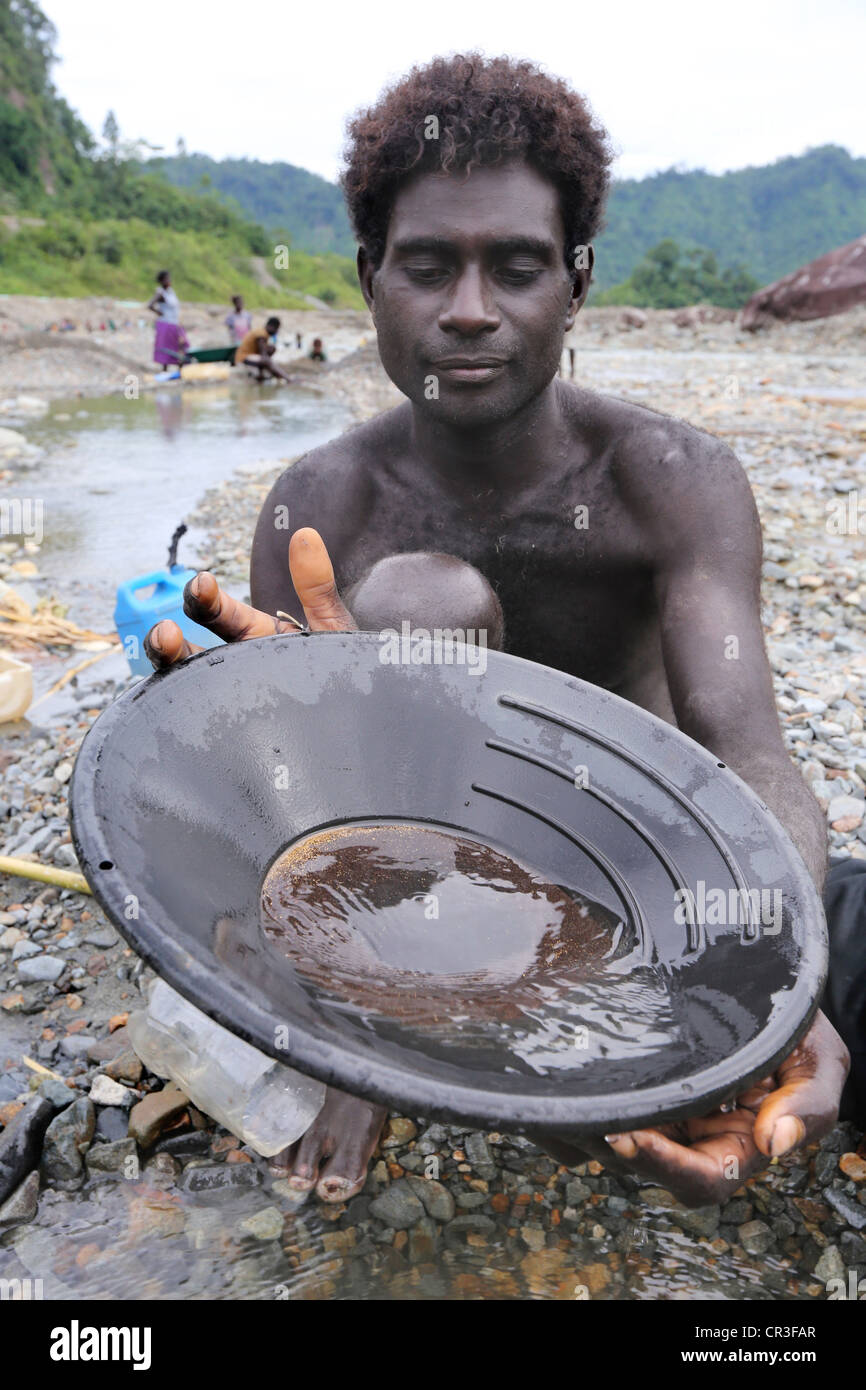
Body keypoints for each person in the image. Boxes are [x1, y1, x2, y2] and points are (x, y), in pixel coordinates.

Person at [144, 54, 860, 1207]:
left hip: (651, 892)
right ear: (369, 278)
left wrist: (778, 985)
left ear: (573, 285)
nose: (469, 310)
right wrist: (341, 1024)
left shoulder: (671, 480)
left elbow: (750, 754)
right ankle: (400, 1038)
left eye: (516, 267)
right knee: (417, 602)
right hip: (415, 910)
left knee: (826, 986)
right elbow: (278, 801)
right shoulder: (319, 506)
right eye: (426, 265)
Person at [147, 270, 188, 368]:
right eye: (166, 279)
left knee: (181, 344)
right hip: (166, 323)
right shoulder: (160, 293)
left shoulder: (171, 292)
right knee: (167, 347)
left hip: (174, 323)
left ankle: (180, 368)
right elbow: (150, 305)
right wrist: (159, 312)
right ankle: (165, 370)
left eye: (169, 278)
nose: (169, 280)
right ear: (161, 281)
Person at [234, 316, 293, 382]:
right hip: (243, 357)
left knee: (271, 350)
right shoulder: (261, 334)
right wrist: (286, 377)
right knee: (266, 360)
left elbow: (262, 352)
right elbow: (264, 356)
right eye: (277, 329)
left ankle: (264, 374)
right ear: (271, 326)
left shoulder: (263, 333)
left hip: (251, 356)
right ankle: (288, 379)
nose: (277, 331)